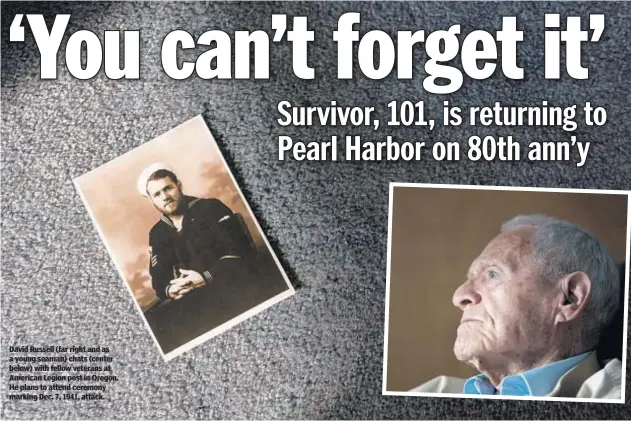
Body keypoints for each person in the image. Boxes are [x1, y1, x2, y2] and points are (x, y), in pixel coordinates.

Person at [410, 215, 622, 399]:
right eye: (470, 279)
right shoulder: (430, 393)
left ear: (569, 298)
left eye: (492, 274)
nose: (459, 297)